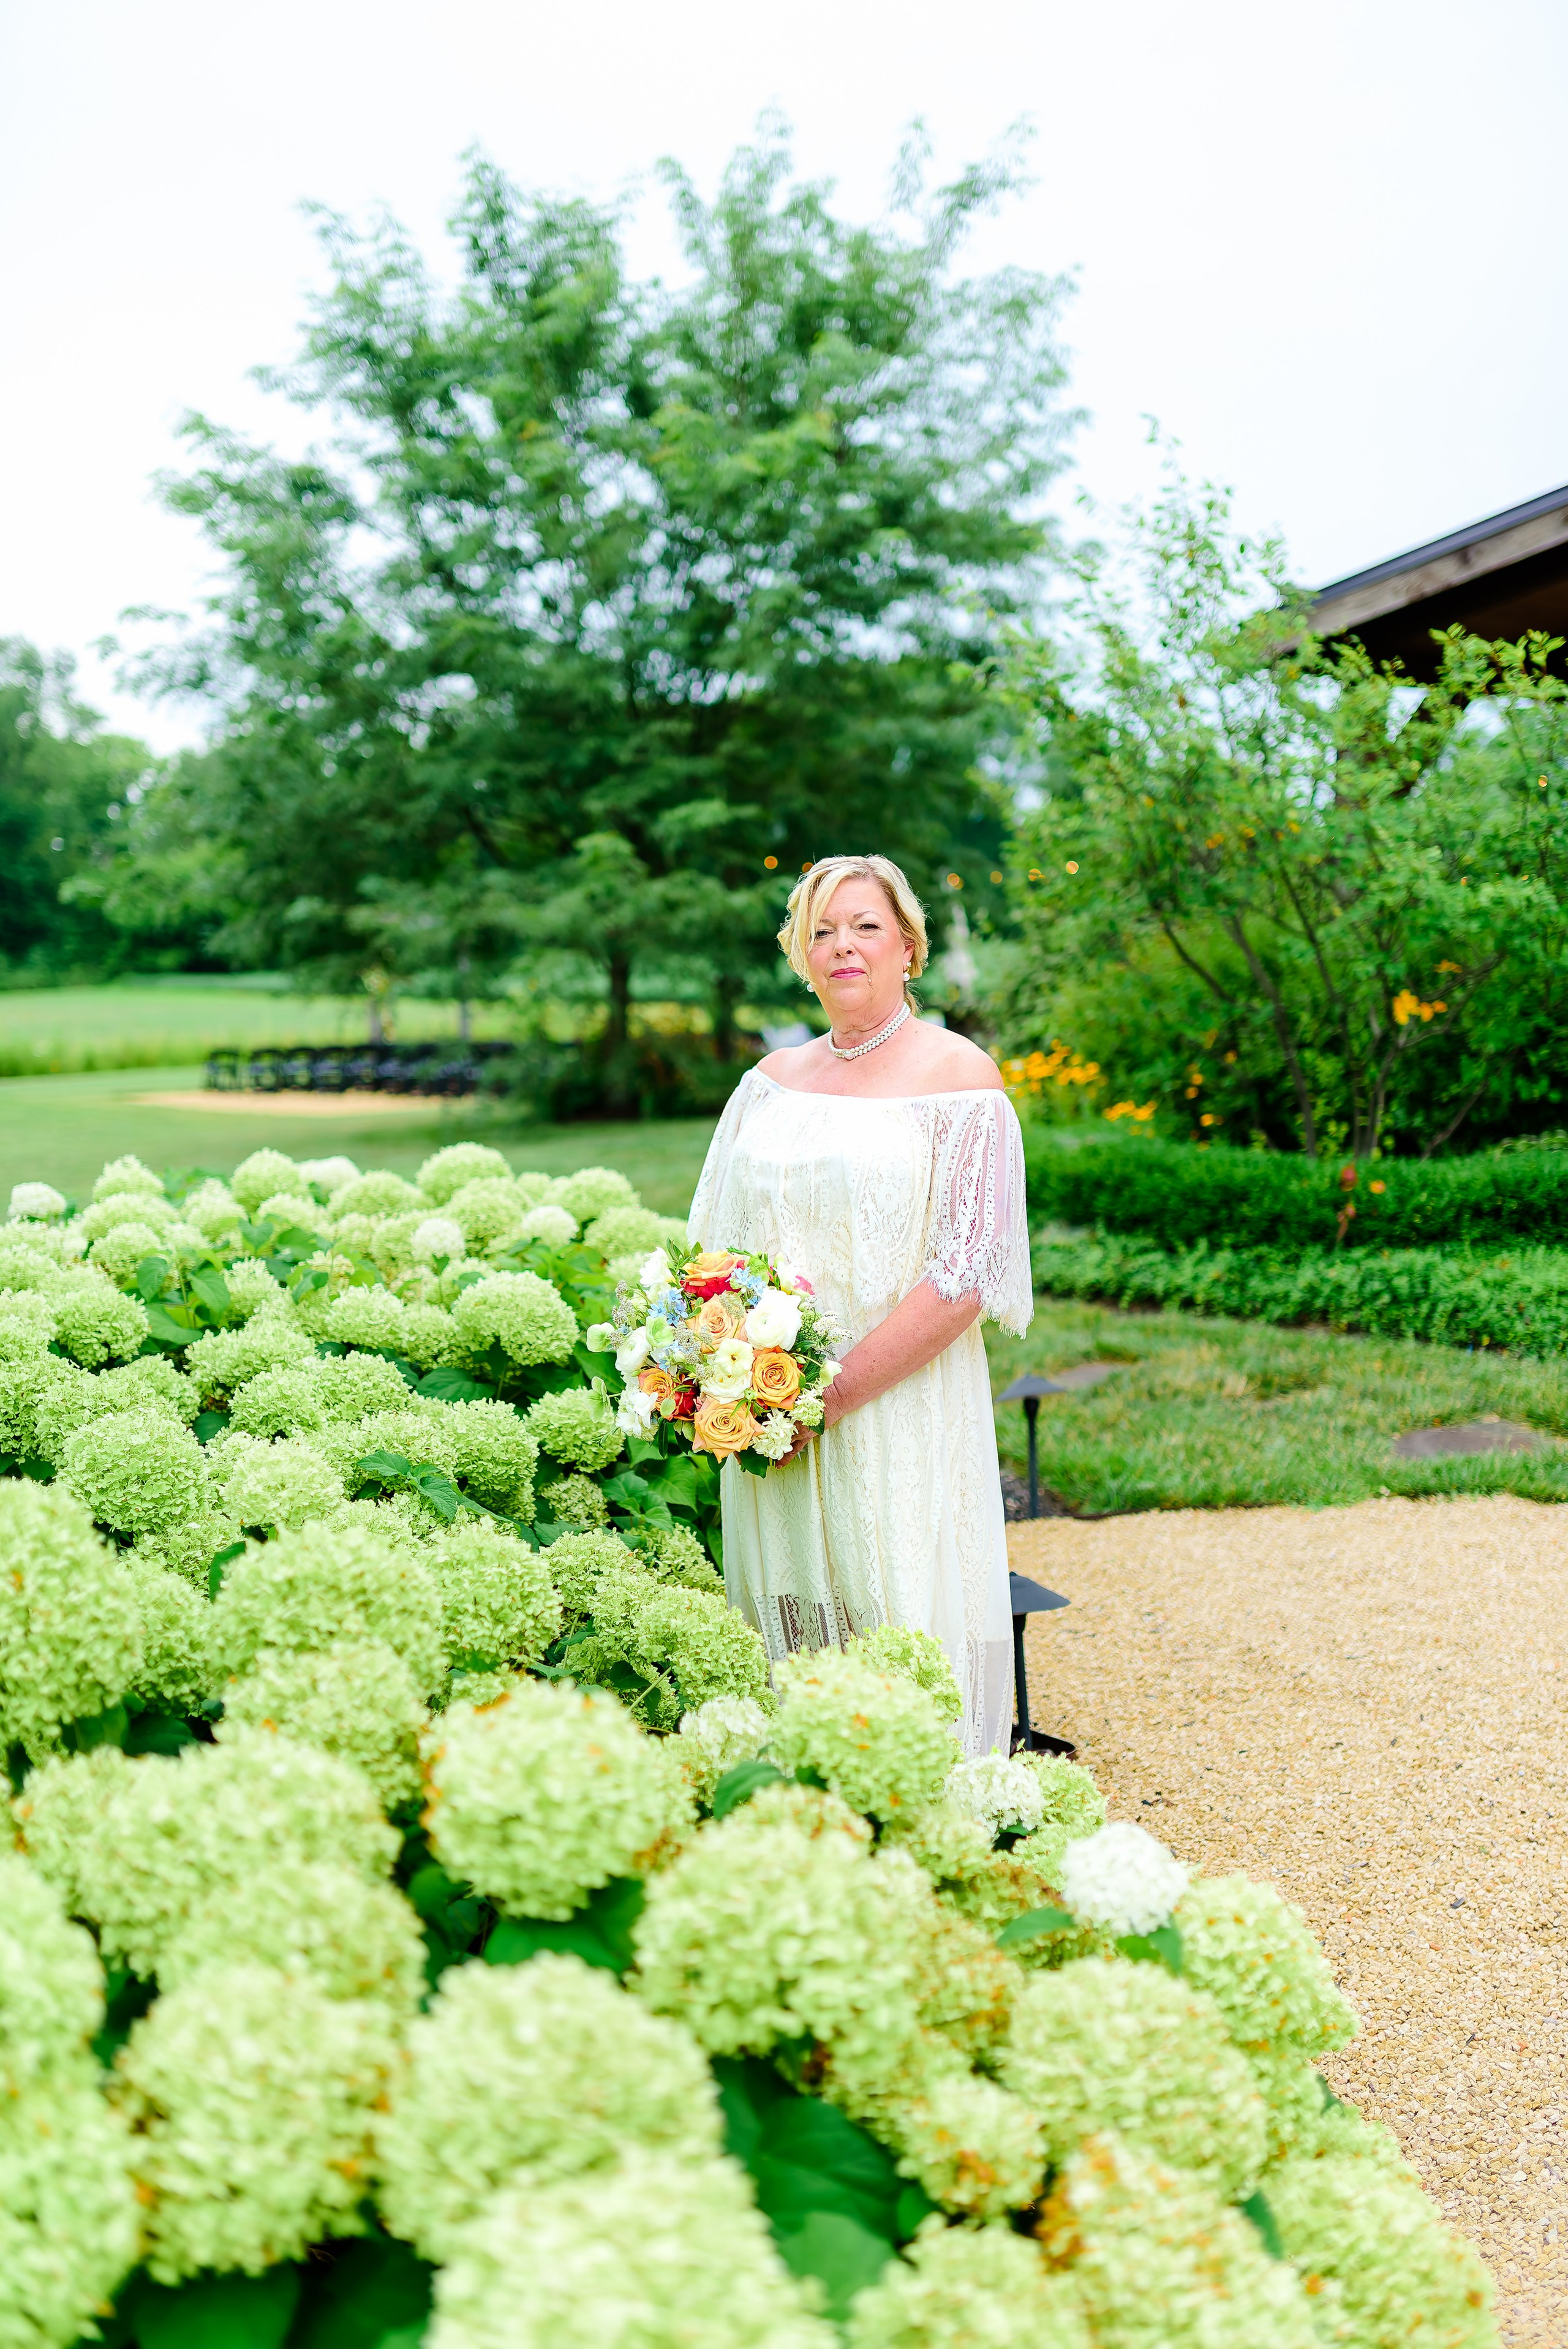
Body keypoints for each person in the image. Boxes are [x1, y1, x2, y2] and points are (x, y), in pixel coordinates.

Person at [687, 853, 1033, 1757]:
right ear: (802, 956)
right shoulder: (770, 1081)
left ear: (908, 947)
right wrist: (730, 1379)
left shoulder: (961, 1078)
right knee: (791, 1602)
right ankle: (797, 1783)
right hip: (773, 1415)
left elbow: (965, 1275)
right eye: (823, 931)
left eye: (866, 927)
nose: (843, 945)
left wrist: (829, 1396)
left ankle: (920, 1781)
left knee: (893, 1592)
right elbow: (711, 1251)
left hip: (894, 1402)